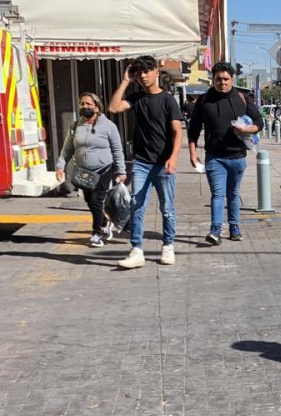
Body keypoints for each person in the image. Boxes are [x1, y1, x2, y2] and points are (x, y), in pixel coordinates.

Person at [108, 55, 183, 269]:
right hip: (141, 162)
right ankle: (136, 250)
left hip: (163, 163)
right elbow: (113, 108)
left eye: (147, 71)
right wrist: (125, 81)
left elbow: (178, 132)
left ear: (156, 72)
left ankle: (168, 245)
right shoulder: (136, 97)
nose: (143, 76)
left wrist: (174, 157)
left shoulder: (168, 99)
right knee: (137, 206)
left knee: (167, 207)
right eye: (139, 72)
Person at [188, 62, 263, 245]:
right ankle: (215, 230)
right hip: (215, 157)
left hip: (237, 156)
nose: (222, 83)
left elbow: (259, 121)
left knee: (234, 194)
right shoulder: (205, 100)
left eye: (226, 79)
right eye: (218, 79)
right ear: (213, 79)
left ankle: (234, 227)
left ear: (232, 79)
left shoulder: (242, 98)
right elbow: (194, 128)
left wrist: (248, 130)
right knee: (217, 194)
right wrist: (192, 153)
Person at [56, 92, 127, 247]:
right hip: (84, 172)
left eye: (89, 104)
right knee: (89, 201)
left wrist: (121, 171)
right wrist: (60, 165)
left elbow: (117, 150)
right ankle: (105, 222)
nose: (85, 107)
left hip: (103, 169)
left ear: (97, 107)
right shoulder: (75, 126)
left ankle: (96, 233)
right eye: (82, 104)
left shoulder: (108, 126)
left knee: (96, 200)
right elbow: (67, 149)